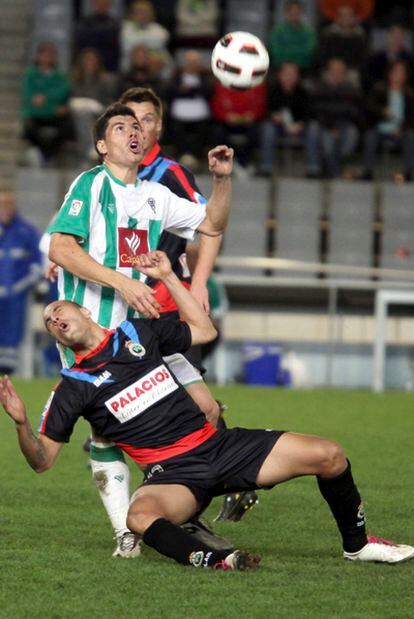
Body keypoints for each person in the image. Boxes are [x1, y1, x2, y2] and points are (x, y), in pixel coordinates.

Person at [2, 251, 414, 569]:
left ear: (85, 311)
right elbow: (42, 461)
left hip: (219, 447)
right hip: (172, 474)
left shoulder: (137, 332)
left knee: (329, 455)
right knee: (139, 517)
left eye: (58, 309)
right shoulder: (71, 387)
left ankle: (357, 545)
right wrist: (21, 423)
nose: (54, 318)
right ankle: (212, 558)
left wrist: (167, 277)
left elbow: (204, 330)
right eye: (48, 320)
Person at [46, 102, 233, 556]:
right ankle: (126, 532)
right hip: (89, 336)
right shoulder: (91, 185)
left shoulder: (154, 195)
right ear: (101, 145)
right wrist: (123, 282)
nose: (132, 131)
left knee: (206, 407)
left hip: (142, 334)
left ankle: (187, 508)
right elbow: (59, 248)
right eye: (120, 127)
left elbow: (212, 223)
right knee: (106, 434)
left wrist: (223, 180)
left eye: (137, 126)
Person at [0, 191, 42, 374]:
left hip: (17, 295)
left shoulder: (27, 231)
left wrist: (19, 287)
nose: (4, 209)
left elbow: (37, 265)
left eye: (8, 204)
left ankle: (7, 373)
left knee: (12, 335)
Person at [305, 58, 362, 178]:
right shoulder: (319, 90)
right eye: (334, 71)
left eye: (340, 71)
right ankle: (321, 170)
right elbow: (314, 112)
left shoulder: (351, 91)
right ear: (328, 72)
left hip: (344, 126)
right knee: (325, 138)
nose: (337, 74)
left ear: (345, 73)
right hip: (324, 126)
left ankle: (331, 169)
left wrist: (338, 126)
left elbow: (354, 113)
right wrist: (330, 127)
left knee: (351, 133)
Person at [359, 60, 414, 181]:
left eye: (401, 73)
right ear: (390, 74)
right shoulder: (379, 89)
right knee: (370, 136)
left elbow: (411, 118)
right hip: (380, 129)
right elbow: (369, 107)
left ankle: (409, 172)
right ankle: (368, 171)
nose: (397, 76)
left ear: (405, 76)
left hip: (399, 132)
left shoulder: (409, 95)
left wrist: (402, 129)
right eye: (395, 72)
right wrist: (382, 111)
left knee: (410, 136)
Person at [21, 42, 72, 166]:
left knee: (67, 128)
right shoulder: (30, 75)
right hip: (36, 115)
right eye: (44, 55)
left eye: (50, 55)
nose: (47, 58)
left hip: (54, 114)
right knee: (29, 128)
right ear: (38, 57)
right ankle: (41, 154)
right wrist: (52, 105)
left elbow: (63, 92)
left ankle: (48, 156)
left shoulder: (60, 76)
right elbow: (30, 98)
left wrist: (45, 97)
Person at [257, 62, 311, 177]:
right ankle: (266, 168)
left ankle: (313, 169)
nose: (290, 77)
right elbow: (263, 111)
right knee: (268, 129)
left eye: (293, 74)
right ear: (280, 75)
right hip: (278, 127)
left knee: (314, 129)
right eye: (287, 73)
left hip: (299, 128)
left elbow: (309, 114)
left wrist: (300, 125)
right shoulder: (271, 91)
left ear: (298, 77)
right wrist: (274, 117)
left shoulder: (303, 93)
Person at [70, 48, 118, 164]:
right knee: (83, 113)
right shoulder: (75, 80)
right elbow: (73, 99)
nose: (89, 64)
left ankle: (90, 150)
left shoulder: (106, 80)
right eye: (87, 61)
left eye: (92, 61)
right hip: (80, 113)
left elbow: (112, 101)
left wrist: (95, 105)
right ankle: (91, 147)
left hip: (101, 111)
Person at [268, 0, 316, 73]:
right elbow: (276, 52)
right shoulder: (277, 31)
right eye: (292, 12)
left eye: (297, 12)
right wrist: (298, 52)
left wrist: (287, 51)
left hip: (303, 70)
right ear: (286, 13)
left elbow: (309, 52)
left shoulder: (309, 32)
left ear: (302, 13)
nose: (294, 15)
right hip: (280, 69)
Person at [74, 0, 121, 73]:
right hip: (86, 66)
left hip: (109, 68)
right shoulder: (84, 23)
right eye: (99, 4)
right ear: (94, 4)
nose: (101, 6)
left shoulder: (115, 25)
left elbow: (116, 50)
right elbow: (80, 46)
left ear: (109, 5)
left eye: (104, 4)